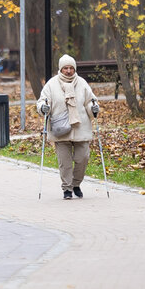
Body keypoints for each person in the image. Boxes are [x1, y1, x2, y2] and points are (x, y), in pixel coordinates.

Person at [37, 54, 100, 199]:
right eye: (65, 68)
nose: (68, 71)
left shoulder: (82, 83)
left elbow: (90, 101)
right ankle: (67, 189)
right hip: (60, 129)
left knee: (82, 158)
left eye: (71, 68)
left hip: (80, 127)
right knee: (65, 163)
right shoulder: (51, 84)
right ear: (60, 69)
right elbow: (41, 102)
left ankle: (76, 184)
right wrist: (43, 108)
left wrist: (94, 109)